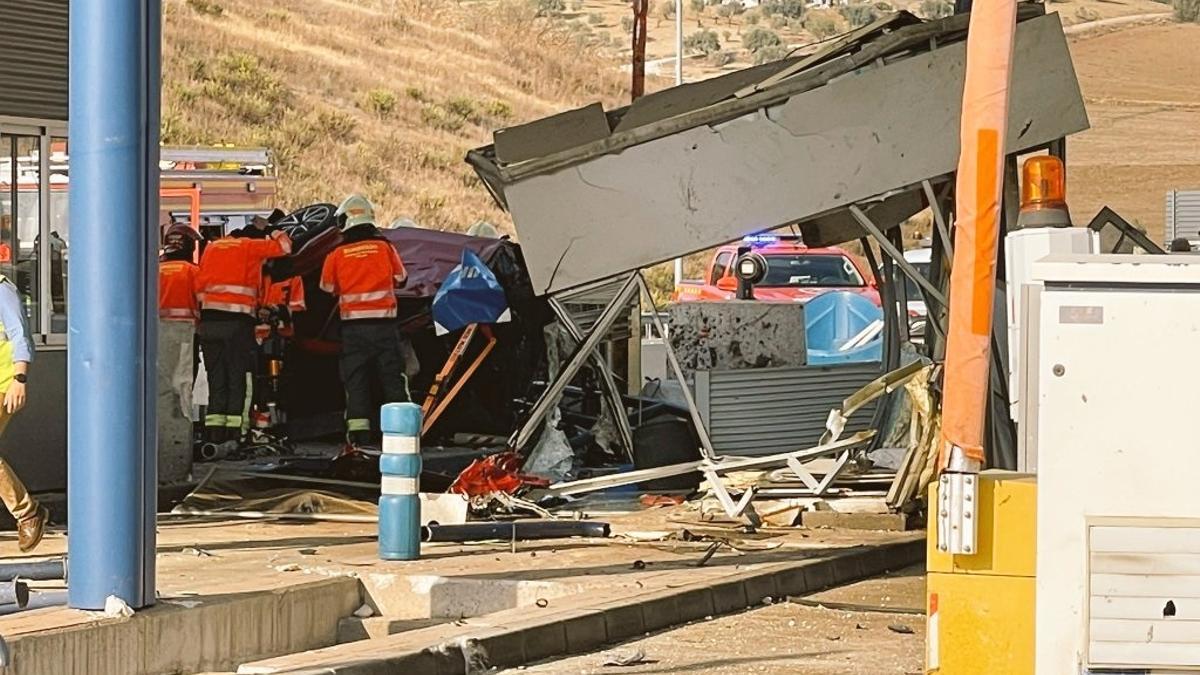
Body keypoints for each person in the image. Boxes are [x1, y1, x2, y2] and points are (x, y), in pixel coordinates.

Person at [320, 195, 409, 447]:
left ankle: (359, 436)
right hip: (385, 327)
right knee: (393, 378)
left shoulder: (336, 254)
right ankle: (401, 435)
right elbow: (402, 278)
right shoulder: (385, 248)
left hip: (353, 330)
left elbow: (326, 287)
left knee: (356, 380)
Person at [195, 218, 292, 450]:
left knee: (216, 380)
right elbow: (285, 247)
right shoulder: (249, 246)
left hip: (208, 325)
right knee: (238, 379)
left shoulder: (212, 247)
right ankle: (235, 434)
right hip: (236, 325)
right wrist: (272, 229)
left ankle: (214, 434)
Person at [0, 271, 46, 551]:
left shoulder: (2, 289)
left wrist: (20, 379)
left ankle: (28, 513)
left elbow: (19, 334)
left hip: (4, 382)